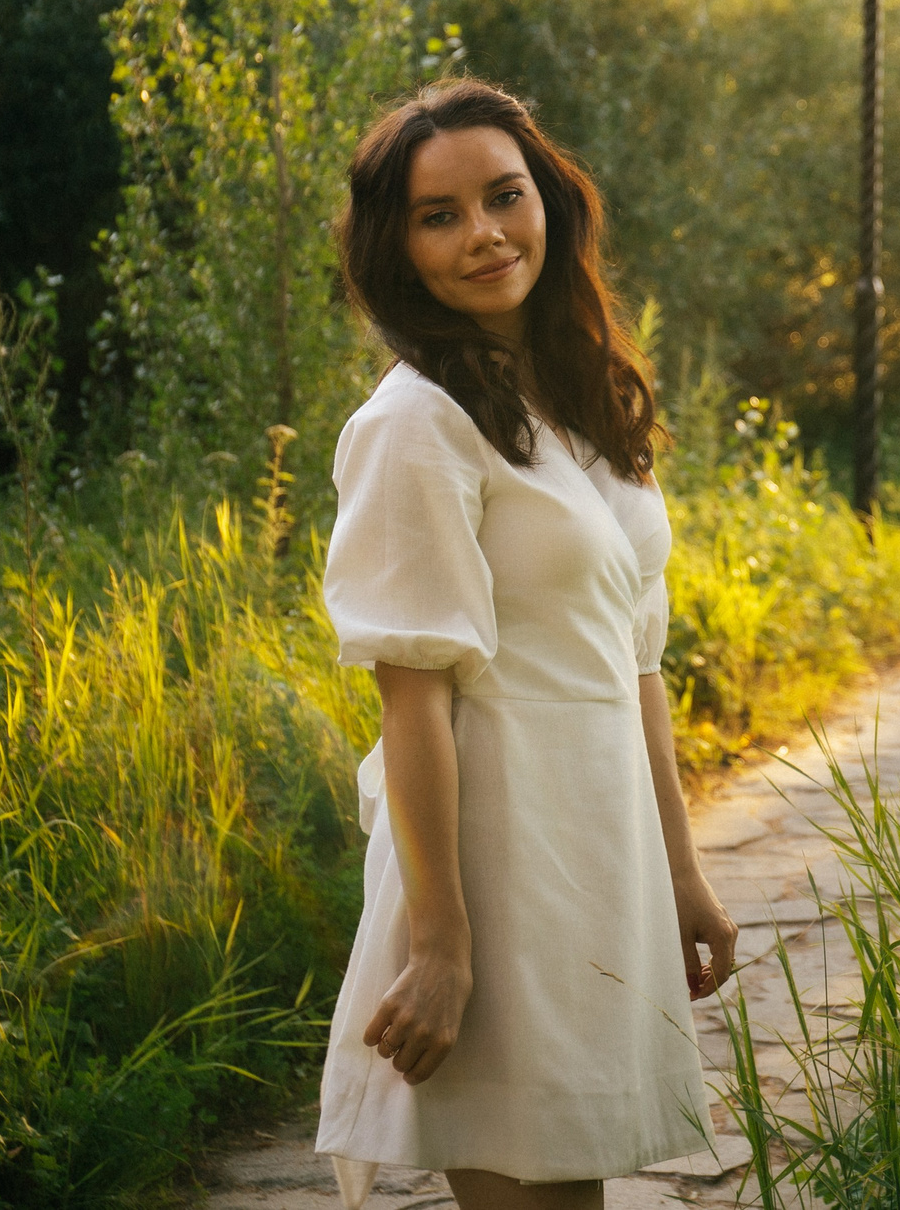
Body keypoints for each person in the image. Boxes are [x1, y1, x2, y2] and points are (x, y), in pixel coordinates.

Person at [314, 78, 737, 1210]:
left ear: (549, 199)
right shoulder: (413, 425)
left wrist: (681, 870)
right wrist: (443, 946)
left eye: (504, 196)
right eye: (438, 215)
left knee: (572, 1192)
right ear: (396, 247)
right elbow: (414, 702)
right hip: (495, 850)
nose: (485, 234)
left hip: (596, 842)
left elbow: (632, 656)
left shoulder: (579, 396)